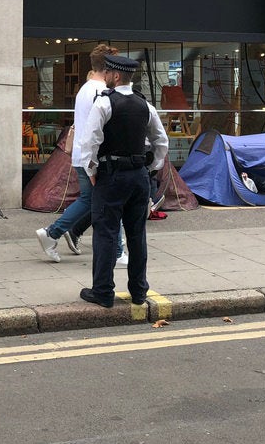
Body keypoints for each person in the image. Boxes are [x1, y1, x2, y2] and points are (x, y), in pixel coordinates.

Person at [79, 54, 168, 309]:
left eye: (107, 72)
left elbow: (90, 141)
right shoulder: (145, 106)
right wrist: (150, 167)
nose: (105, 76)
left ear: (116, 76)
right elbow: (161, 142)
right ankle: (139, 291)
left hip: (112, 176)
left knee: (106, 233)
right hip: (139, 176)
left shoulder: (104, 104)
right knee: (137, 234)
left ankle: (103, 292)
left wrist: (92, 170)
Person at [35, 44, 127, 266]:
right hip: (94, 157)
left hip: (83, 155)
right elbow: (100, 129)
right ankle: (117, 251)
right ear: (108, 68)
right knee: (110, 202)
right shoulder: (101, 91)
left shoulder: (86, 89)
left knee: (90, 200)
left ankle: (53, 233)